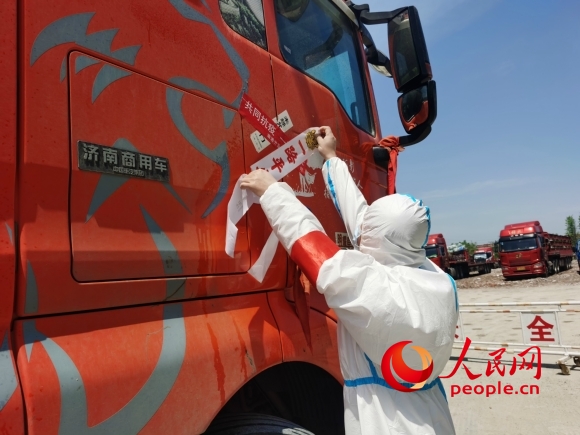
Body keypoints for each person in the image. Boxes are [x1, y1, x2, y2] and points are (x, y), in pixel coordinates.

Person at [241, 126, 458, 434]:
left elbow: (317, 251)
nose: (361, 232)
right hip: (432, 411)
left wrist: (272, 192)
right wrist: (331, 157)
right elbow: (364, 223)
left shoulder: (381, 292)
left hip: (387, 421)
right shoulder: (434, 278)